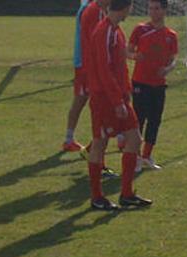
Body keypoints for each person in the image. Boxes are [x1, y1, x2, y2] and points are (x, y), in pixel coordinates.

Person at [86, 0, 151, 210]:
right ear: (126, 7)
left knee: (133, 138)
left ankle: (127, 193)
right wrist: (116, 101)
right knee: (100, 143)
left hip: (117, 97)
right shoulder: (105, 31)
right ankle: (98, 197)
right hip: (105, 98)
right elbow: (104, 69)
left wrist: (125, 93)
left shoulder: (115, 30)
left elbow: (118, 65)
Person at [127, 0, 178, 172]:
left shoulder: (171, 35)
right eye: (150, 8)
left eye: (157, 8)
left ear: (164, 10)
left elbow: (173, 59)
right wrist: (135, 57)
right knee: (138, 119)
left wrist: (168, 69)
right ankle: (135, 158)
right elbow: (127, 51)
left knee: (155, 120)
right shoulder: (140, 29)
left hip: (159, 84)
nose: (153, 11)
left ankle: (147, 156)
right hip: (140, 82)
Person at [62, 0, 99, 153]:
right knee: (84, 99)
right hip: (85, 63)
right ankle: (70, 139)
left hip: (87, 62)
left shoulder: (91, 6)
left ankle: (70, 139)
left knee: (86, 100)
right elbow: (90, 38)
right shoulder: (89, 9)